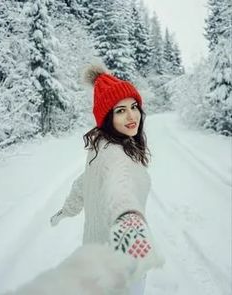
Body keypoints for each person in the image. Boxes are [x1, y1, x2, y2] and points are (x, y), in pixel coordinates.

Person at [50, 64, 164, 294]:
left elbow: (83, 183)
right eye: (120, 110)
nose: (132, 116)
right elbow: (120, 194)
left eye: (134, 106)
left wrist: (66, 210)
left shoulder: (100, 148)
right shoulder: (116, 156)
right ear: (107, 117)